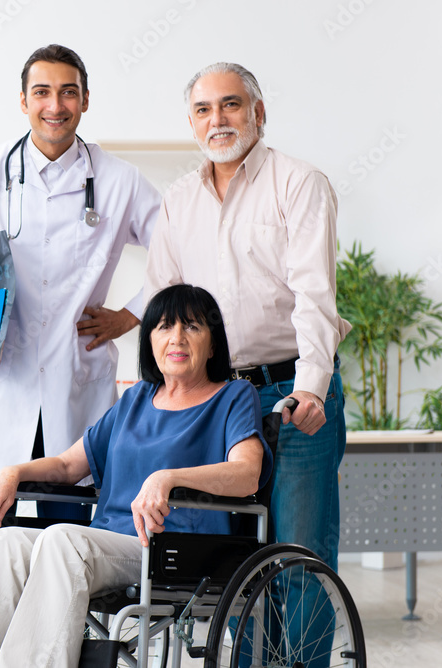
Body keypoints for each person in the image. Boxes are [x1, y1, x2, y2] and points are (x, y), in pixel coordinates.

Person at [0, 44, 161, 594]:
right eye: (42, 92)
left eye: (68, 91)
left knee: (66, 571)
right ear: (22, 101)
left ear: (86, 100)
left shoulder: (118, 181)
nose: (55, 105)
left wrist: (130, 316)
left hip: (75, 397)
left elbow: (181, 253)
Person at [0, 284, 272, 668]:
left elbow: (247, 474)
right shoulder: (136, 399)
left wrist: (167, 478)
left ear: (213, 344)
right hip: (107, 544)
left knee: (62, 540)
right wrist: (13, 472)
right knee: (3, 545)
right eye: (164, 327)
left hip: (173, 548)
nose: (177, 338)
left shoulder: (232, 397)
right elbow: (69, 466)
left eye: (193, 327)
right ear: (149, 340)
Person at [144, 62, 351, 572]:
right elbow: (163, 305)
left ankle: (297, 658)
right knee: (231, 563)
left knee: (299, 558)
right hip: (212, 401)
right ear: (191, 123)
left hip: (290, 393)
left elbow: (315, 294)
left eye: (230, 104)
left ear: (258, 113)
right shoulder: (178, 200)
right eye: (203, 109)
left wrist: (312, 387)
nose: (217, 119)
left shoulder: (299, 183)